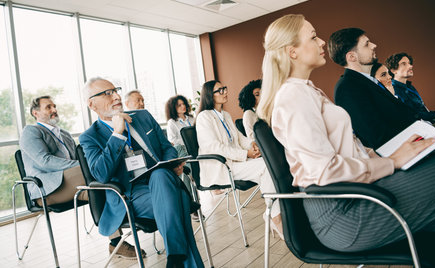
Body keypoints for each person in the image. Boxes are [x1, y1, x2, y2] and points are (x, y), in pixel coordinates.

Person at [257, 14, 435, 255]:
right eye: (314, 37)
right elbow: (325, 171)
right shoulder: (293, 96)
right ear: (292, 52)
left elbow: (350, 149)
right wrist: (392, 162)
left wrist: (403, 153)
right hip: (343, 215)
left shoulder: (306, 90)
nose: (321, 43)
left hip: (355, 197)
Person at [80, 77, 204, 268]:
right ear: (91, 104)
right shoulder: (90, 137)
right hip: (129, 195)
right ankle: (177, 255)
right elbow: (100, 174)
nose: (116, 96)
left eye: (116, 90)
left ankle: (176, 258)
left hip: (163, 180)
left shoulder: (143, 117)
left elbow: (166, 147)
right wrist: (117, 134)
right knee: (178, 199)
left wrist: (173, 163)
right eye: (107, 93)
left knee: (160, 175)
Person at [19, 96, 141, 258]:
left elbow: (82, 158)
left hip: (73, 182)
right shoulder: (31, 131)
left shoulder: (64, 133)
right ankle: (121, 231)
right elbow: (45, 161)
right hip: (47, 188)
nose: (54, 110)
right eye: (48, 107)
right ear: (35, 113)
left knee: (99, 186)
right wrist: (84, 166)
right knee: (98, 174)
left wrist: (87, 166)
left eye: (54, 106)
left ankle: (116, 241)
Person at [195, 80, 283, 239]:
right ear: (209, 95)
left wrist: (253, 145)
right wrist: (245, 154)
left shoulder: (225, 115)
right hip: (222, 166)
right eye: (219, 90)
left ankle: (273, 213)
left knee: (269, 166)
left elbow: (240, 138)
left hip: (235, 163)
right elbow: (214, 147)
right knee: (265, 167)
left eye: (224, 88)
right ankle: (275, 215)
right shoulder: (204, 117)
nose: (224, 92)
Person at [329, 28, 420, 149]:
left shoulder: (368, 81)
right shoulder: (347, 88)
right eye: (367, 44)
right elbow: (377, 138)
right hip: (403, 153)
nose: (374, 45)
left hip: (415, 140)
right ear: (351, 57)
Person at [165, 95, 201, 221]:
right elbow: (173, 141)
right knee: (187, 175)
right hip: (182, 151)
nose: (183, 106)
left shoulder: (192, 118)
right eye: (179, 105)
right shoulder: (172, 122)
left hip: (195, 148)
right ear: (173, 108)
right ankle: (192, 206)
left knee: (196, 174)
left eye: (184, 104)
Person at [385, 52, 435, 122]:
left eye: (409, 63)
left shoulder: (410, 87)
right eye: (404, 64)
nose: (410, 66)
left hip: (430, 122)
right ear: (393, 70)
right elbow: (413, 115)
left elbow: (421, 111)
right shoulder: (394, 91)